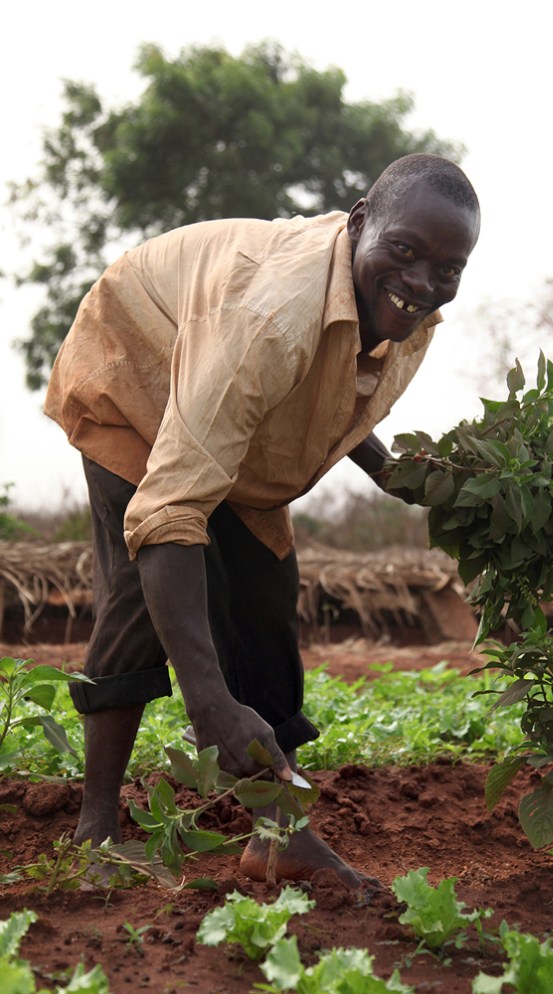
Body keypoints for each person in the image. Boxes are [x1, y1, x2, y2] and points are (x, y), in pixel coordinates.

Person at [45, 153, 480, 887]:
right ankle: (96, 831)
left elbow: (326, 383)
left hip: (224, 406)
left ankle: (280, 831)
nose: (422, 281)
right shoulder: (267, 317)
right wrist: (210, 702)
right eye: (405, 252)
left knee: (263, 598)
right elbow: (170, 510)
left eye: (449, 267)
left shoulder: (411, 311)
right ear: (361, 223)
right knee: (139, 592)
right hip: (134, 368)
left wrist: (396, 475)